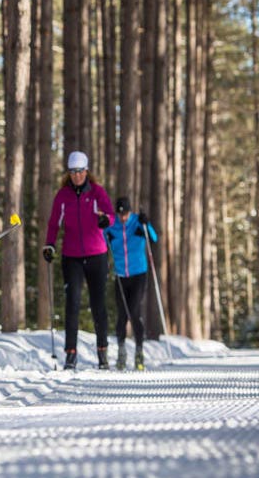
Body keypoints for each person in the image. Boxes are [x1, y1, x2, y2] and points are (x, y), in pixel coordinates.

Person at [42, 151, 114, 370]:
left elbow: (110, 215)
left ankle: (102, 352)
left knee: (98, 304)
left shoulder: (97, 192)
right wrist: (50, 244)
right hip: (71, 256)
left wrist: (105, 220)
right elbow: (54, 223)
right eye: (73, 172)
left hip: (96, 255)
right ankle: (70, 354)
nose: (77, 176)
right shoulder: (63, 195)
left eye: (80, 171)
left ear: (86, 171)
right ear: (69, 173)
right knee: (72, 303)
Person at [105, 197, 158, 371]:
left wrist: (146, 224)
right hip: (121, 275)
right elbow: (101, 241)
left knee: (134, 312)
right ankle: (121, 352)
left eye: (125, 214)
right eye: (120, 214)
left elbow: (153, 238)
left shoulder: (137, 222)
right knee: (122, 315)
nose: (123, 218)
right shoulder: (111, 226)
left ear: (130, 212)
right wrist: (101, 227)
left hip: (138, 274)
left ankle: (139, 352)